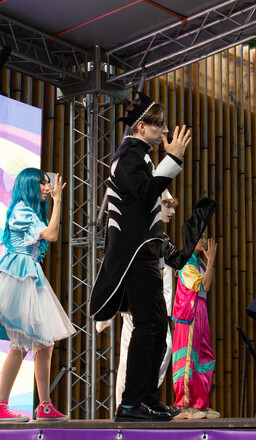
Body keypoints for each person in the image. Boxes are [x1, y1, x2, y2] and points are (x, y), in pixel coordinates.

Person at [89, 90, 191, 422]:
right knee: (148, 325)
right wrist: (172, 160)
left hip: (145, 253)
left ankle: (147, 397)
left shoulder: (141, 156)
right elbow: (146, 193)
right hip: (133, 256)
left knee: (157, 325)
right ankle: (131, 403)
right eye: (159, 125)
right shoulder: (128, 156)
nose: (166, 131)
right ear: (141, 126)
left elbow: (146, 202)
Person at [0, 168, 75, 422]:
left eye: (46, 183)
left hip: (28, 275)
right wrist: (58, 202)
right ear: (29, 185)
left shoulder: (26, 211)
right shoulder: (22, 211)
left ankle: (42, 405)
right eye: (42, 183)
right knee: (25, 344)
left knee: (41, 343)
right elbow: (52, 234)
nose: (46, 187)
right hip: (20, 275)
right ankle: (3, 406)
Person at [115, 191, 178, 408]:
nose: (172, 211)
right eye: (167, 206)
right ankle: (128, 404)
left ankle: (146, 399)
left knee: (159, 349)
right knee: (133, 354)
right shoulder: (139, 234)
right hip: (138, 307)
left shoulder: (160, 237)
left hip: (157, 306)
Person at [172, 234, 220, 419]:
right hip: (188, 314)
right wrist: (212, 259)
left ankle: (200, 404)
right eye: (201, 236)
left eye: (205, 236)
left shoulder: (198, 263)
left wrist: (208, 262)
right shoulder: (187, 264)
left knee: (205, 357)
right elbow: (205, 286)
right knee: (186, 358)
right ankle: (183, 405)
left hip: (201, 311)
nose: (205, 240)